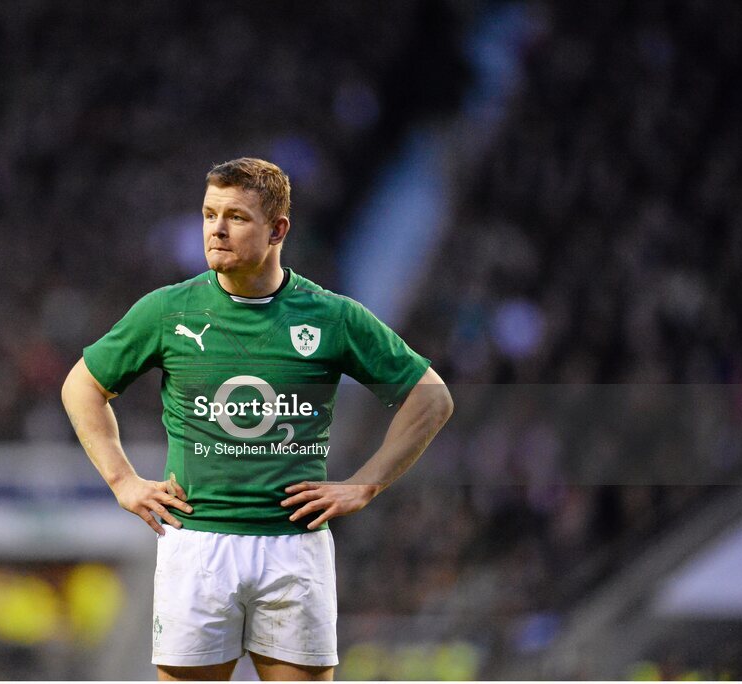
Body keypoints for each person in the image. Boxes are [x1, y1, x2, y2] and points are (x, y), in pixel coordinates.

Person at [62, 158, 453, 681]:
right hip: (196, 541)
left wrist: (365, 486)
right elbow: (82, 386)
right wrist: (121, 480)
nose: (216, 229)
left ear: (278, 229)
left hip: (293, 548)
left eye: (236, 217)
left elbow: (431, 399)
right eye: (208, 213)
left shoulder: (330, 316)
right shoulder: (167, 311)